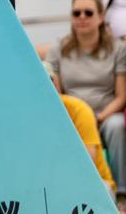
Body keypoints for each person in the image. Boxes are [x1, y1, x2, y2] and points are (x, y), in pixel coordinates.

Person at [44, 0, 126, 212]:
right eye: (76, 13)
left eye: (88, 13)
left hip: (106, 114)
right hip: (72, 118)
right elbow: (55, 91)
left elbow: (122, 95)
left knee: (117, 126)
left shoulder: (118, 49)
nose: (82, 17)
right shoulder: (59, 48)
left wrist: (97, 117)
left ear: (101, 17)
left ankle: (121, 196)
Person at [44, 62, 117, 195]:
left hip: (95, 184)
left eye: (50, 80)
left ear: (56, 84)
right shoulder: (26, 116)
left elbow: (87, 165)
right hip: (51, 187)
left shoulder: (78, 109)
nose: (48, 86)